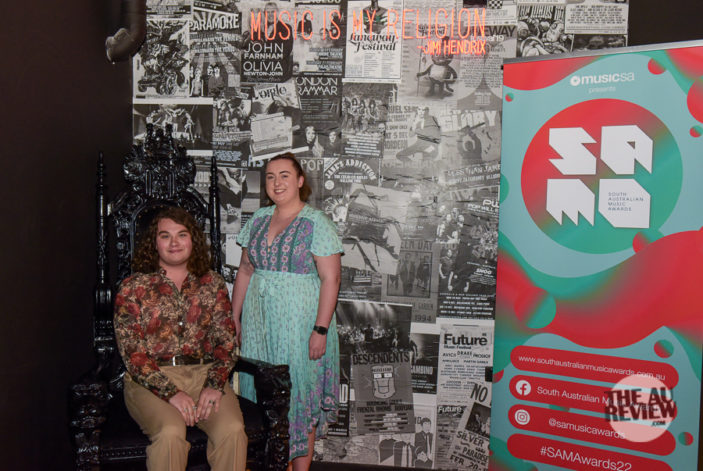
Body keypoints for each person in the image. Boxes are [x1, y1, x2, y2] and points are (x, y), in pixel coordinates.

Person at [232, 153, 343, 471]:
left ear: (299, 181)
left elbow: (331, 279)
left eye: (284, 175)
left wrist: (320, 329)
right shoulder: (258, 219)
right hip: (259, 322)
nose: (276, 182)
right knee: (262, 391)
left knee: (297, 393)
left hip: (299, 323)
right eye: (270, 176)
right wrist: (234, 317)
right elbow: (245, 270)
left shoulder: (317, 223)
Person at [113, 207, 247, 471]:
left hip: (205, 375)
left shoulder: (212, 283)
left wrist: (214, 385)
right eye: (165, 236)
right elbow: (133, 355)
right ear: (154, 244)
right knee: (170, 432)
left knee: (232, 430)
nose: (174, 242)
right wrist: (171, 393)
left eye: (181, 234)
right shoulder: (133, 287)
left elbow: (227, 343)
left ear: (192, 240)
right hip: (150, 380)